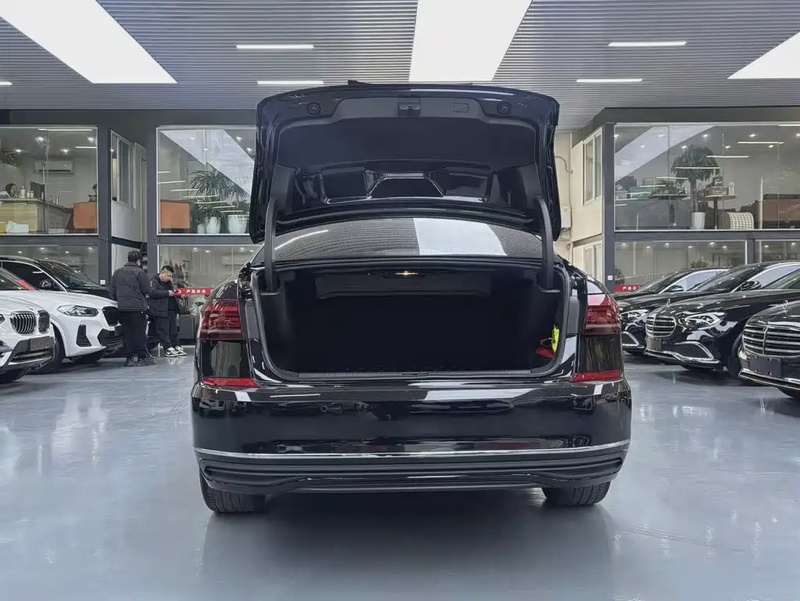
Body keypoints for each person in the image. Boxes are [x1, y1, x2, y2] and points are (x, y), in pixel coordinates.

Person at [109, 250, 154, 367]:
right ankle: (142, 357)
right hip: (138, 308)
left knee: (127, 333)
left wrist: (121, 301)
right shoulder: (140, 272)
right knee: (139, 333)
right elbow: (146, 290)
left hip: (122, 308)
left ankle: (129, 358)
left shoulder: (117, 272)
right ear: (138, 261)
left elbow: (112, 291)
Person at [148, 265, 186, 357]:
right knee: (163, 330)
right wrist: (167, 293)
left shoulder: (168, 283)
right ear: (163, 273)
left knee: (173, 330)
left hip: (170, 309)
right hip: (160, 310)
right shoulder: (154, 281)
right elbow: (152, 292)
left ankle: (175, 345)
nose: (169, 278)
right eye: (168, 275)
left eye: (171, 276)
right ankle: (168, 347)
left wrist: (176, 294)